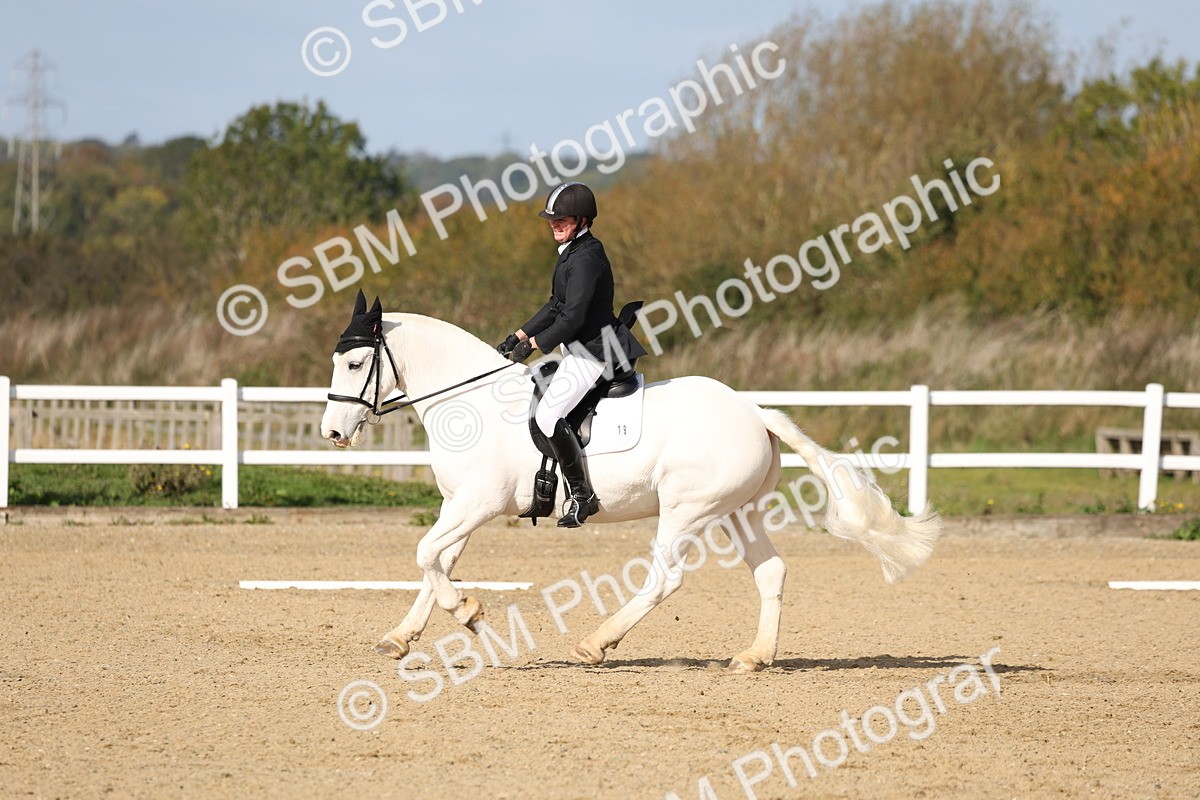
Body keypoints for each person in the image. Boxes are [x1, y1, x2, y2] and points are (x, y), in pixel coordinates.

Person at [496, 182, 648, 527]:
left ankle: (582, 497)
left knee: (547, 416)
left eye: (561, 218)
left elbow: (573, 316)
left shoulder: (588, 258)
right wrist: (517, 335)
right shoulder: (572, 253)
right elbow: (555, 305)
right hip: (579, 348)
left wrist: (533, 346)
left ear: (582, 220)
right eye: (552, 219)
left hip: (595, 352)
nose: (554, 223)